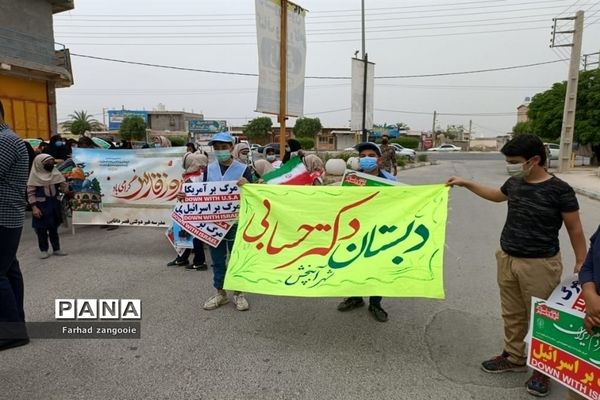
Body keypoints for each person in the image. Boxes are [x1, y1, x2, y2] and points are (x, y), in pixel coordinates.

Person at [446, 134, 587, 397]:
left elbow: (575, 229)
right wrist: (466, 183)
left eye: (514, 161)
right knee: (512, 313)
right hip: (508, 258)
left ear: (534, 160)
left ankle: (543, 370)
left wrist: (581, 261)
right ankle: (513, 358)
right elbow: (497, 196)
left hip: (540, 264)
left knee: (542, 318)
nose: (510, 165)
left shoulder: (560, 190)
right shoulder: (515, 182)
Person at [337, 142, 397, 322]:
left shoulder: (391, 182)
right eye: (362, 156)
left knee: (377, 268)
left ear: (379, 160)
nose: (366, 159)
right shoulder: (352, 180)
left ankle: (375, 303)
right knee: (352, 265)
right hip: (355, 231)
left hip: (380, 231)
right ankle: (355, 298)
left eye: (370, 156)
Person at [201, 132, 254, 311]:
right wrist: (186, 195)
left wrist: (248, 185)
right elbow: (201, 193)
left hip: (237, 222)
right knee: (217, 259)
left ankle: (239, 293)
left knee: (237, 258)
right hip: (214, 223)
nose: (220, 151)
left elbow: (254, 195)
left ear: (231, 148)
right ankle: (220, 293)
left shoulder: (243, 169)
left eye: (224, 147)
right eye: (217, 148)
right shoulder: (209, 169)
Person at [0, 100, 30, 351]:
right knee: (9, 269)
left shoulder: (4, 141)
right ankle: (16, 323)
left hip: (3, 216)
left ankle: (12, 330)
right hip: (7, 216)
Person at [167, 151, 209, 270]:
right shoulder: (200, 175)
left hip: (191, 211)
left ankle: (199, 261)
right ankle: (182, 258)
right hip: (195, 210)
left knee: (193, 236)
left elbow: (189, 195)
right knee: (187, 236)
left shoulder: (193, 178)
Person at [27, 154, 69, 259]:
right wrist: (34, 208)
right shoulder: (34, 177)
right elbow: (30, 194)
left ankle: (56, 249)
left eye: (51, 162)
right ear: (39, 164)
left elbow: (64, 189)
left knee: (54, 229)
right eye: (47, 162)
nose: (50, 164)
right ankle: (43, 250)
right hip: (41, 206)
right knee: (41, 230)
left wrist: (65, 184)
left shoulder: (55, 173)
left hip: (54, 204)